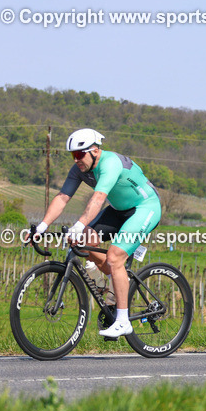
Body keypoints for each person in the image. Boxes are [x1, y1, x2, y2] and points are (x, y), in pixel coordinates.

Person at [33, 128, 162, 338]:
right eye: (73, 155)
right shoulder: (80, 170)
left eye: (79, 154)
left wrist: (79, 223)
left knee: (114, 257)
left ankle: (123, 321)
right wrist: (42, 226)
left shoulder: (109, 163)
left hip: (145, 208)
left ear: (94, 150)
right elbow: (62, 197)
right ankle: (116, 285)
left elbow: (98, 198)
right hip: (119, 210)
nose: (76, 160)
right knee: (85, 242)